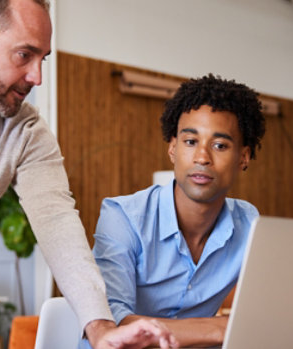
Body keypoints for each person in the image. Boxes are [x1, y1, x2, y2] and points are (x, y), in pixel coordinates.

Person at [0, 0, 177, 348]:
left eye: (42, 59)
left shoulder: (26, 130)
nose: (37, 77)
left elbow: (59, 225)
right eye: (24, 55)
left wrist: (101, 328)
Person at [90, 74, 266, 348]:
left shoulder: (250, 225)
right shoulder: (122, 217)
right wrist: (219, 329)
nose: (202, 158)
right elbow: (114, 323)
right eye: (190, 141)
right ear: (172, 148)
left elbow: (265, 315)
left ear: (243, 157)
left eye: (220, 145)